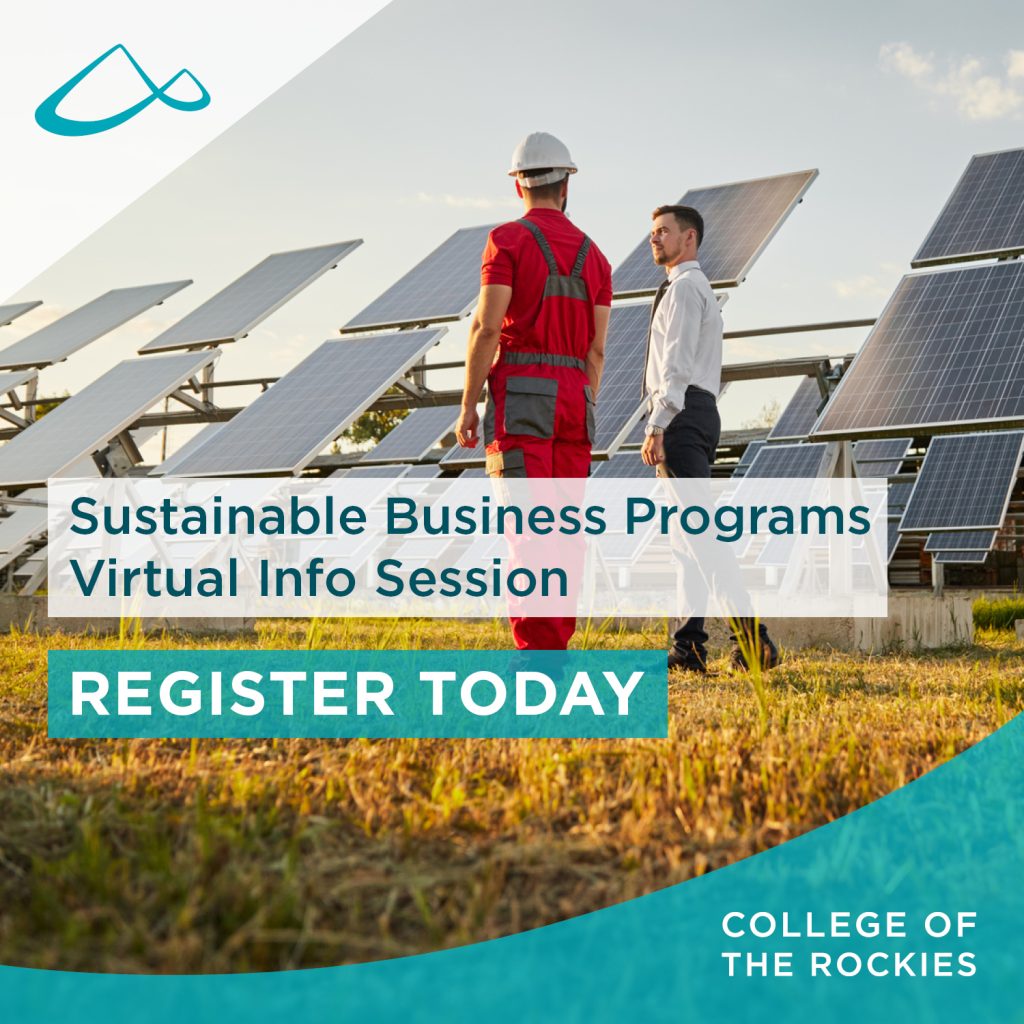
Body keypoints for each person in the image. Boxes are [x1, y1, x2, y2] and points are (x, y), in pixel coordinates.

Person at [455, 132, 612, 650]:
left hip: (522, 396)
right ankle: (555, 647)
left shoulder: (507, 241)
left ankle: (536, 661)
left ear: (518, 186)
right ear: (567, 184)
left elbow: (485, 326)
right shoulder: (597, 259)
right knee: (565, 532)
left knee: (527, 532)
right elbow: (596, 353)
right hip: (574, 398)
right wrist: (580, 399)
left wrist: (468, 406)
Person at [640, 204, 780, 673]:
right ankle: (689, 646)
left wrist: (658, 422)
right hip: (699, 412)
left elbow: (675, 365)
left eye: (663, 232)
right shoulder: (697, 290)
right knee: (688, 538)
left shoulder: (683, 290)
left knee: (698, 535)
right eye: (652, 232)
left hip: (681, 415)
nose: (654, 239)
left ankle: (752, 639)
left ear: (690, 238)